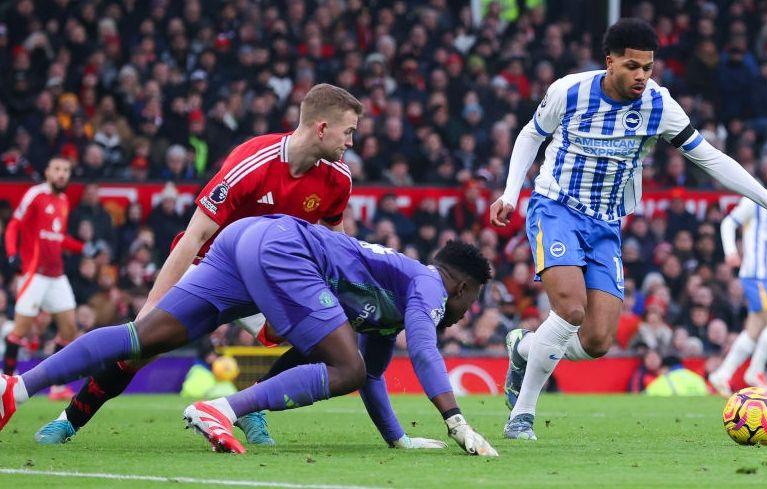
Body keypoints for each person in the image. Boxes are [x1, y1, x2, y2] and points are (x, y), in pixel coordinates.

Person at [489, 18, 767, 440]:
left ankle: (524, 348)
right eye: (632, 67)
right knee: (570, 308)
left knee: (598, 340)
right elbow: (531, 135)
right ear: (610, 62)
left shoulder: (659, 105)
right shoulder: (569, 90)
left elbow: (709, 157)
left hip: (605, 223)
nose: (641, 76)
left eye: (648, 68)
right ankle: (522, 416)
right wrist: (511, 193)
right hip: (556, 207)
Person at [1, 215, 498, 457]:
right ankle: (225, 409)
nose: (459, 316)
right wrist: (455, 420)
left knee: (141, 337)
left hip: (244, 240)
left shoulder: (399, 295)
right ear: (462, 286)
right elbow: (426, 348)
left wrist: (398, 438)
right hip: (284, 248)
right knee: (341, 365)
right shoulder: (430, 283)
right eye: (468, 303)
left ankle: (15, 387)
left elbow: (372, 374)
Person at [34, 84, 361, 446]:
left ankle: (245, 404)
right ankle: (68, 419)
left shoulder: (338, 178)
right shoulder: (253, 161)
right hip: (212, 268)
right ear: (320, 128)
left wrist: (343, 295)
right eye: (348, 131)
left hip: (267, 279)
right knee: (142, 347)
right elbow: (194, 236)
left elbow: (335, 241)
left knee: (322, 341)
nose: (351, 141)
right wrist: (152, 307)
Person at [708, 159, 767, 395]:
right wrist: (731, 251)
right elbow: (729, 223)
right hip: (756, 275)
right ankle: (755, 370)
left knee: (753, 331)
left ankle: (722, 374)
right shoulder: (755, 199)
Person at [3, 158, 83, 400]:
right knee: (20, 330)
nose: (62, 174)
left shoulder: (63, 201)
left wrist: (83, 247)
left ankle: (57, 387)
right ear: (48, 171)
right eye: (57, 169)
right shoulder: (35, 195)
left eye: (66, 170)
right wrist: (11, 253)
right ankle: (6, 382)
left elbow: (58, 238)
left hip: (56, 275)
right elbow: (13, 225)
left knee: (69, 329)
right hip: (34, 274)